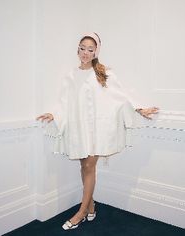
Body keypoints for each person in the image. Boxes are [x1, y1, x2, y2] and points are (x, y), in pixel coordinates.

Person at [36, 32, 159, 230]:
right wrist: (54, 114)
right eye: (82, 48)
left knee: (89, 167)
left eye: (90, 49)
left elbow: (122, 96)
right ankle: (91, 205)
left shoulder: (104, 73)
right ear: (77, 49)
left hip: (97, 131)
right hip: (79, 129)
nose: (85, 52)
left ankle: (81, 212)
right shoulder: (71, 75)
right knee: (84, 166)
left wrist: (140, 108)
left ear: (96, 52)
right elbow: (64, 102)